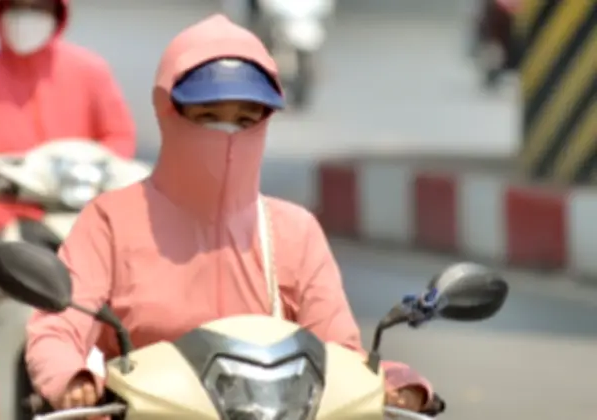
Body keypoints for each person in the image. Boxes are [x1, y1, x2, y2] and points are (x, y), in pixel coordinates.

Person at [24, 14, 439, 415]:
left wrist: (394, 383)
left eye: (245, 120)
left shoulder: (293, 231)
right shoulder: (111, 222)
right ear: (170, 111)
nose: (227, 136)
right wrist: (70, 379)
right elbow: (59, 326)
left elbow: (341, 355)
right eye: (208, 117)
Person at [0, 0, 136, 418]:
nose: (27, 16)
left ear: (57, 12)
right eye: (18, 6)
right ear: (0, 11)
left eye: (38, 6)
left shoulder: (90, 73)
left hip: (81, 225)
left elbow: (119, 139)